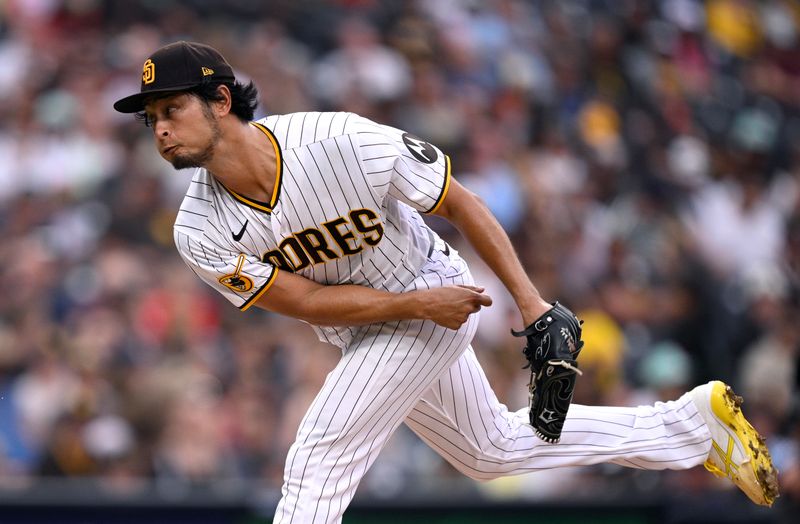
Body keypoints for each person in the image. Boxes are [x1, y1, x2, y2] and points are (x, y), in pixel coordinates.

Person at [113, 41, 779, 522]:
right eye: (152, 120)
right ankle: (691, 427)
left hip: (432, 283)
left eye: (170, 110)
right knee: (489, 450)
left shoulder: (337, 139)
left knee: (318, 454)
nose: (160, 130)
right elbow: (306, 299)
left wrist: (531, 300)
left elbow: (458, 201)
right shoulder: (196, 228)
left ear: (220, 99)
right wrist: (410, 305)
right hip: (383, 315)